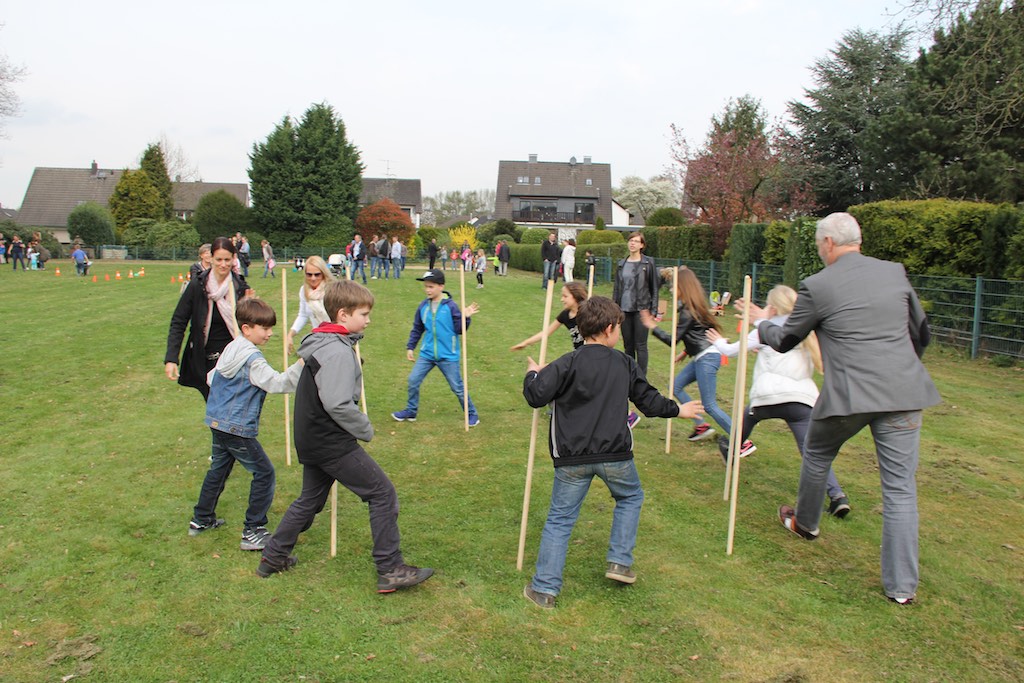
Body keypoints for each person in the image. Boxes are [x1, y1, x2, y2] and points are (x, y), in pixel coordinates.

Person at [743, 212, 940, 605]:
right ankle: (902, 590)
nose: (820, 251)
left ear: (829, 243)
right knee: (900, 488)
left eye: (819, 245)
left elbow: (784, 339)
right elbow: (921, 334)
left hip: (851, 396)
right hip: (904, 391)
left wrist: (763, 326)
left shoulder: (818, 285)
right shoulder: (894, 273)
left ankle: (807, 524)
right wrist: (901, 367)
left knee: (816, 452)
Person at [521, 296, 703, 608]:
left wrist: (534, 372)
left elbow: (536, 394)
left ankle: (545, 590)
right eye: (618, 328)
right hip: (614, 456)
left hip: (573, 459)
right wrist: (679, 410)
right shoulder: (622, 363)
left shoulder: (567, 363)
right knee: (630, 497)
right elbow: (650, 401)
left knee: (561, 519)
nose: (619, 333)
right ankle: (618, 561)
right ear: (608, 330)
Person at [257, 280, 435, 593]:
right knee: (382, 493)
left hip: (312, 437)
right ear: (343, 314)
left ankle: (273, 556)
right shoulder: (337, 351)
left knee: (310, 499)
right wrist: (364, 427)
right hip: (330, 441)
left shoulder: (323, 341)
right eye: (364, 314)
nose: (368, 320)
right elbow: (337, 403)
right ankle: (390, 568)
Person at [707, 285, 850, 514]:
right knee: (810, 452)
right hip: (802, 401)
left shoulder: (765, 329)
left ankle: (731, 450)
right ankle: (837, 495)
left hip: (768, 397)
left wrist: (717, 341)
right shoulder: (807, 330)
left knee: (748, 418)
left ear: (771, 308)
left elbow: (732, 351)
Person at [188, 298, 303, 549]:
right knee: (264, 473)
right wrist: (302, 365)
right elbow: (277, 383)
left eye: (271, 327)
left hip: (217, 421)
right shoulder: (252, 359)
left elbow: (211, 378)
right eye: (264, 328)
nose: (270, 333)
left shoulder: (231, 349)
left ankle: (202, 519)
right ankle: (253, 530)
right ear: (246, 328)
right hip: (236, 428)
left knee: (219, 469)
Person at [640, 266, 748, 452]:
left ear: (684, 287)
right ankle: (701, 425)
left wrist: (652, 326)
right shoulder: (691, 307)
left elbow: (673, 340)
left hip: (707, 358)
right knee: (675, 386)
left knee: (710, 405)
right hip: (700, 355)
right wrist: (686, 352)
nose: (672, 289)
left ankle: (742, 441)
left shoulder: (688, 311)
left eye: (675, 286)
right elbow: (696, 333)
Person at [165, 236, 251, 401]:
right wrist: (171, 358)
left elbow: (249, 323)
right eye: (219, 259)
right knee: (216, 408)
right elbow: (179, 320)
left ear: (233, 259)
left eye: (227, 259)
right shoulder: (198, 285)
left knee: (230, 408)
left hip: (233, 356)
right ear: (210, 258)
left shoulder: (238, 285)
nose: (223, 264)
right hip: (204, 358)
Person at [391, 269, 480, 426]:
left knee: (457, 387)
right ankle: (411, 411)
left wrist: (465, 317)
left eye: (431, 286)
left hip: (448, 355)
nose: (427, 290)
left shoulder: (450, 306)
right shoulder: (423, 307)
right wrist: (411, 347)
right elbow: (418, 328)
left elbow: (460, 330)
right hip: (427, 353)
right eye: (426, 286)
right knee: (413, 380)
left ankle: (472, 413)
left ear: (441, 286)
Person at [612, 232, 659, 376]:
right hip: (624, 309)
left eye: (636, 241)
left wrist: (654, 310)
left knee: (641, 345)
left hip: (642, 309)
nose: (632, 243)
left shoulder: (648, 263)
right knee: (628, 345)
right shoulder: (621, 264)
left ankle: (641, 377)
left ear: (642, 245)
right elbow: (617, 288)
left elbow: (654, 288)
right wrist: (614, 309)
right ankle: (630, 374)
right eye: (631, 240)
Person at [511, 282, 588, 352]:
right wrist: (526, 342)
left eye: (565, 296)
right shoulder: (565, 315)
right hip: (578, 353)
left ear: (576, 296)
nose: (562, 299)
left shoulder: (589, 312)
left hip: (592, 353)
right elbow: (546, 332)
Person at [287, 255, 336, 354]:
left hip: (335, 339)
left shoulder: (332, 289)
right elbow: (303, 315)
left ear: (323, 274)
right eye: (309, 275)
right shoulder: (304, 291)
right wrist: (290, 335)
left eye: (317, 274)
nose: (313, 278)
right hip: (318, 339)